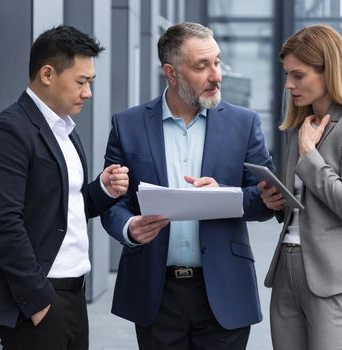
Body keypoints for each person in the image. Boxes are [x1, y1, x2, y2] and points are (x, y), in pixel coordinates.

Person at [101, 22, 274, 350]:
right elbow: (111, 201)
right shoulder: (128, 125)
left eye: (217, 62)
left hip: (225, 290)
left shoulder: (244, 123)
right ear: (171, 72)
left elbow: (267, 200)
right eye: (201, 66)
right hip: (156, 293)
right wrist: (130, 227)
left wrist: (225, 196)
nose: (216, 75)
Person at [0, 25, 129, 350]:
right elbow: (2, 226)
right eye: (81, 82)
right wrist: (39, 303)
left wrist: (103, 189)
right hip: (38, 302)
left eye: (90, 83)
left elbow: (63, 207)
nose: (88, 93)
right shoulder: (8, 133)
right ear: (47, 74)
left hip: (72, 296)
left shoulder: (64, 129)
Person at [259, 24, 342, 350]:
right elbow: (300, 203)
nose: (288, 85)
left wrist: (310, 155)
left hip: (334, 277)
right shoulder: (301, 125)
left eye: (298, 75)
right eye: (287, 75)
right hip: (286, 268)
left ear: (329, 70)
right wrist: (275, 201)